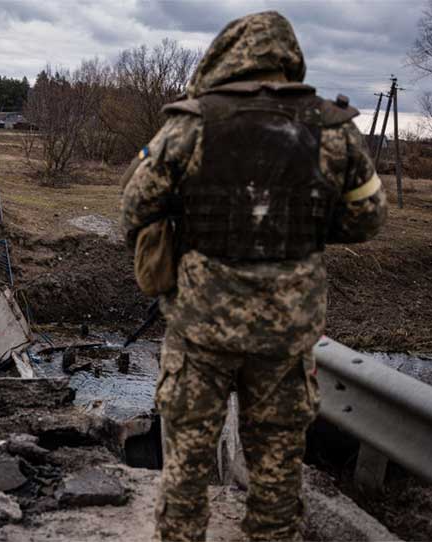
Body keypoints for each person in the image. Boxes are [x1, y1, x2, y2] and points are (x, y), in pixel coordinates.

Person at [120, 11, 387, 542]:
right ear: (289, 58)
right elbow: (368, 219)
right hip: (286, 334)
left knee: (186, 471)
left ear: (226, 55)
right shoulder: (333, 129)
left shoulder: (191, 124)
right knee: (278, 470)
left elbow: (134, 209)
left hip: (201, 330)